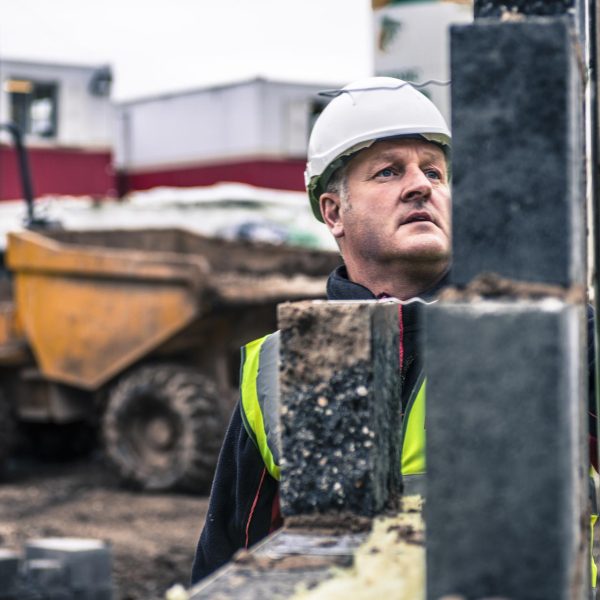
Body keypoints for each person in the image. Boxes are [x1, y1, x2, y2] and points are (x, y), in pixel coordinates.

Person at [191, 76, 598, 586]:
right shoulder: (279, 367)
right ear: (334, 212)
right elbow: (231, 563)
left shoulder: (550, 331)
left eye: (434, 171)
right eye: (387, 172)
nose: (421, 185)